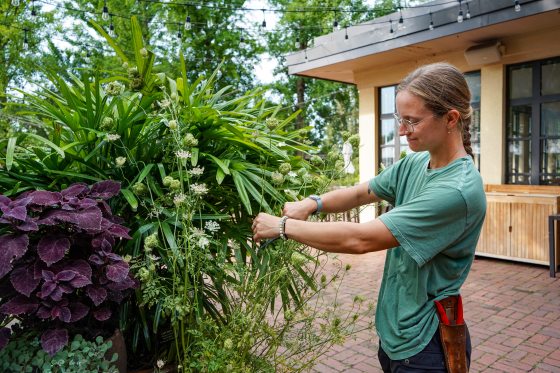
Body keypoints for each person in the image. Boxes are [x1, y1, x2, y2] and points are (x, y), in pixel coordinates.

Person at [252, 62, 487, 373]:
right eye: (399, 119)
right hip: (396, 335)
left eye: (412, 121)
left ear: (451, 118)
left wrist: (282, 227)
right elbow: (362, 192)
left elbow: (360, 239)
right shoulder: (415, 163)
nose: (402, 130)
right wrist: (312, 203)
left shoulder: (456, 192)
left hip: (424, 344)